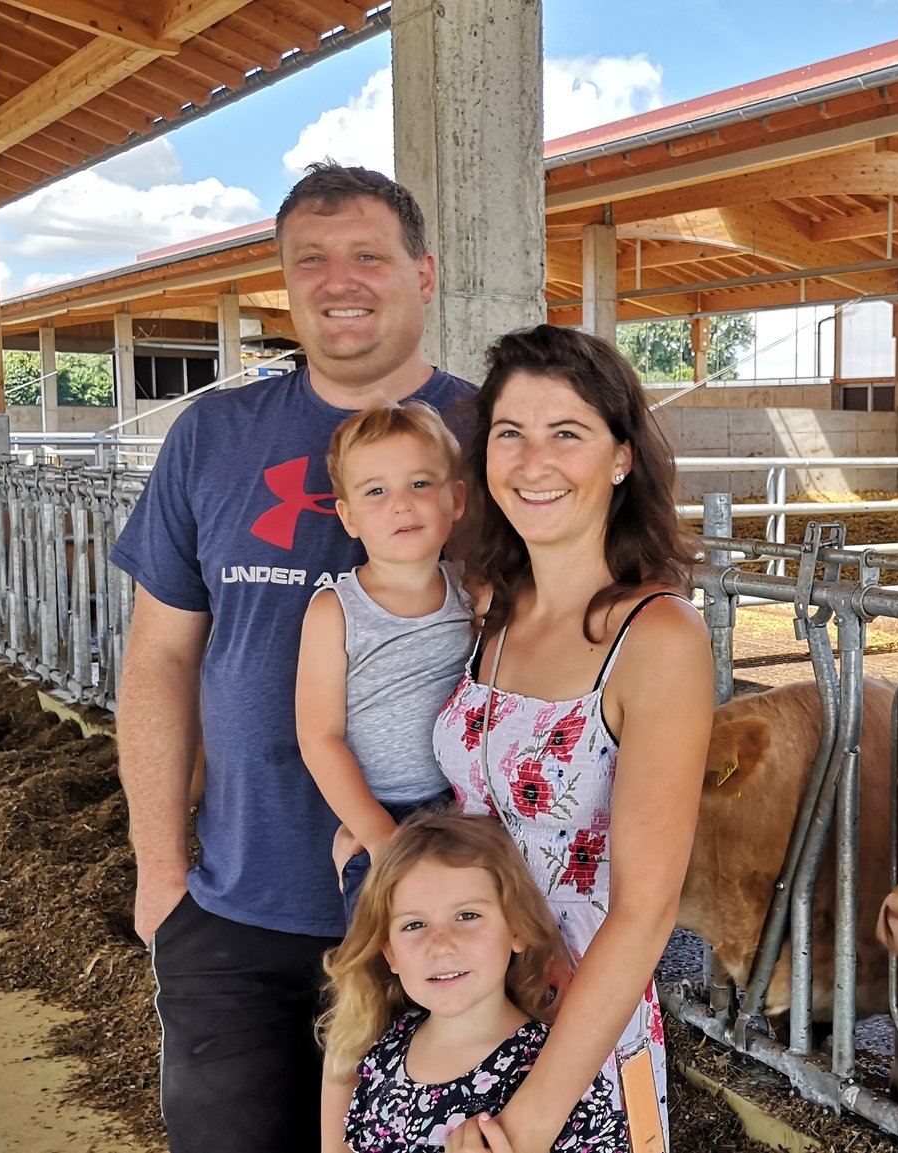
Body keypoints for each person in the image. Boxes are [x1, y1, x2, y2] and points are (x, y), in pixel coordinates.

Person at [111, 162, 477, 1153]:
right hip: (235, 904)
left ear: (424, 275)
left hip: (447, 911)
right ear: (284, 281)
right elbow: (158, 658)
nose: (338, 279)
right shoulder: (216, 434)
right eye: (309, 259)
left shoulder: (494, 439)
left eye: (368, 253)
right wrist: (160, 872)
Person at [433, 325, 712, 1153]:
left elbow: (645, 909)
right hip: (463, 997)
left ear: (620, 458)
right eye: (510, 433)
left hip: (575, 1031)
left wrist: (530, 1120)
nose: (532, 460)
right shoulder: (491, 604)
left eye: (567, 433)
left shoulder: (659, 637)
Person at [320, 810, 627, 1152]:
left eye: (467, 916)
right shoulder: (381, 1051)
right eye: (414, 925)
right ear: (390, 953)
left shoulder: (553, 1073)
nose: (440, 944)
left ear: (516, 928)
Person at [297, 402, 474, 925]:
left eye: (421, 484)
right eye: (376, 491)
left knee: (468, 959)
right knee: (387, 965)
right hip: (381, 814)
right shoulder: (336, 610)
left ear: (455, 499)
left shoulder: (474, 593)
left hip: (471, 808)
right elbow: (319, 736)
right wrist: (378, 835)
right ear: (347, 516)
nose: (402, 505)